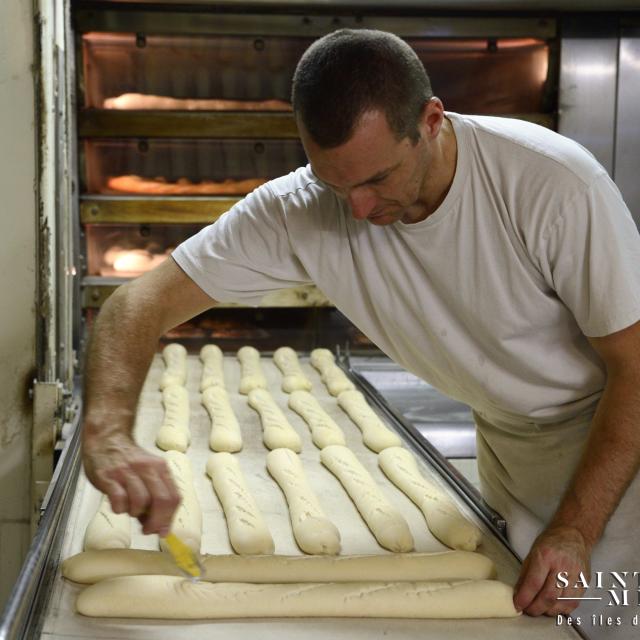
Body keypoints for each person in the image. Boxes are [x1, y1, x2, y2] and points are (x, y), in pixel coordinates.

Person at [82, 28, 640, 630]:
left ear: (430, 120)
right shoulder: (300, 209)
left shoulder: (550, 186)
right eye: (333, 182)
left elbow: (635, 368)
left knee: (606, 622)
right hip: (505, 444)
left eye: (377, 179)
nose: (357, 210)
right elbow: (135, 305)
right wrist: (108, 430)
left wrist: (577, 529)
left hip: (612, 454)